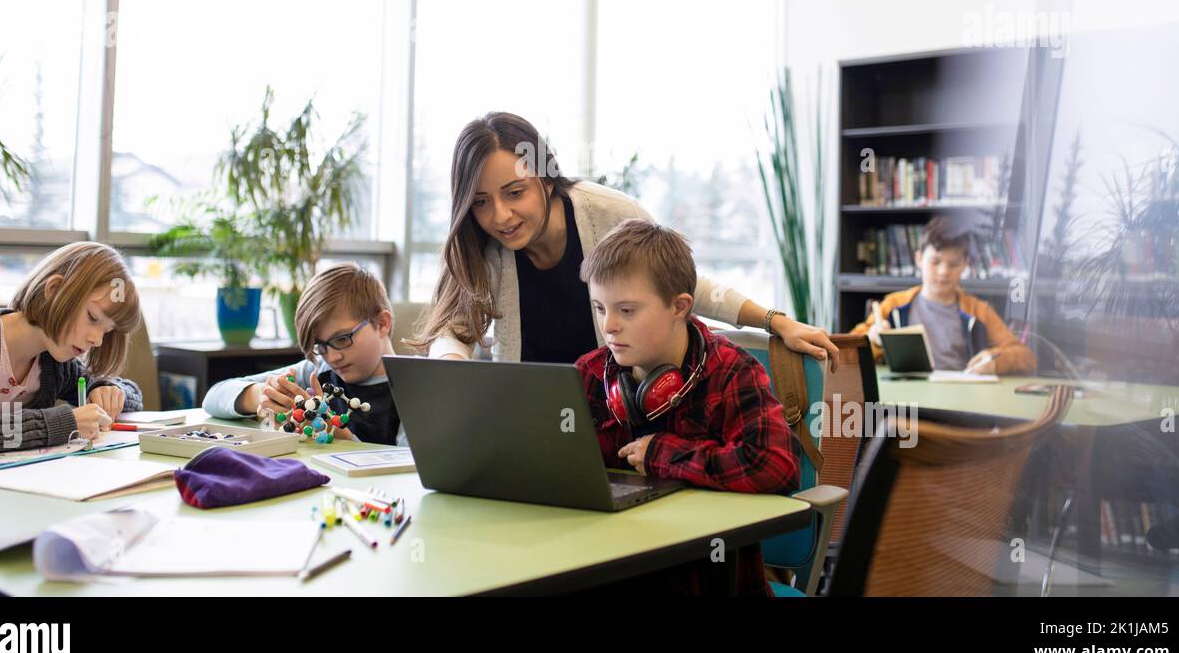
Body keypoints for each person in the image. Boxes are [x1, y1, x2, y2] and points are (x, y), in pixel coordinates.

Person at [416, 112, 839, 367]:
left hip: (619, 417)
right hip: (533, 419)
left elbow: (685, 285)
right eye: (480, 202)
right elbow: (452, 331)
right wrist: (453, 365)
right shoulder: (481, 245)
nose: (500, 217)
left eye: (514, 193)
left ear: (544, 179)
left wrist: (776, 321)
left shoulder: (607, 213)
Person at [577, 219, 798, 596]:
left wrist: (662, 452)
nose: (609, 325)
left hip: (707, 578)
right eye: (600, 307)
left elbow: (774, 467)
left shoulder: (732, 371)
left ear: (679, 307)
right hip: (616, 567)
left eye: (627, 310)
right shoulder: (592, 373)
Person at [0, 242, 144, 458]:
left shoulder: (55, 361)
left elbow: (133, 394)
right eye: (92, 317)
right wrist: (59, 424)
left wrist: (107, 390)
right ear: (54, 290)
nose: (97, 340)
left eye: (107, 330)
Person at [203, 263, 407, 447]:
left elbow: (410, 471)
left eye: (342, 339)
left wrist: (333, 430)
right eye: (320, 345)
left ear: (382, 323)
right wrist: (265, 395)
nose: (333, 357)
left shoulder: (416, 388)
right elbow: (214, 396)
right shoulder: (317, 371)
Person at [851, 216, 1036, 374]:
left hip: (961, 400)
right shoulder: (893, 305)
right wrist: (873, 340)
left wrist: (995, 361)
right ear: (919, 259)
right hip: (907, 401)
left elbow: (1025, 357)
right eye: (935, 262)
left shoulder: (979, 311)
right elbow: (848, 350)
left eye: (954, 264)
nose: (943, 272)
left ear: (965, 264)